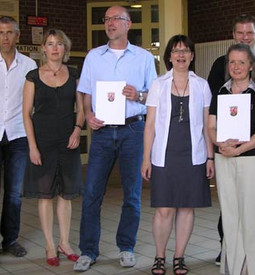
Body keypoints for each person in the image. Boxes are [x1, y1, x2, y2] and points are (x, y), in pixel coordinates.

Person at [73, 5, 157, 272]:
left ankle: (126, 247)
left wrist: (139, 96)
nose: (110, 23)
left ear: (128, 24)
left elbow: (153, 98)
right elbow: (85, 93)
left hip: (133, 130)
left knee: (132, 194)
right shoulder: (93, 57)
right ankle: (88, 251)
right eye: (107, 19)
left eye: (116, 19)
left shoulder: (143, 58)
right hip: (102, 131)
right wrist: (88, 114)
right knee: (91, 194)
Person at [207, 13, 255, 268]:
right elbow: (211, 123)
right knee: (229, 213)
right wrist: (220, 145)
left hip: (252, 156)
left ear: (251, 64)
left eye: (241, 62)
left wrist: (240, 149)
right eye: (232, 62)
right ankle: (231, 262)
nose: (236, 66)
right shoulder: (221, 89)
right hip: (224, 156)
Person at [141, 34, 214, 275]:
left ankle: (179, 256)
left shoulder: (202, 85)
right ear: (169, 57)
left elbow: (207, 125)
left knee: (186, 208)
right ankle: (160, 255)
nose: (181, 55)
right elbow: (149, 125)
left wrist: (210, 157)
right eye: (176, 51)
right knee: (164, 208)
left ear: (192, 56)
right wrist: (146, 158)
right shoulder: (158, 84)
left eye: (185, 51)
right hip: (164, 154)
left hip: (193, 154)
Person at [22, 29, 84, 266]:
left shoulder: (75, 74)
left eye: (59, 44)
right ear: (44, 49)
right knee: (46, 195)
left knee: (66, 195)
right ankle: (49, 245)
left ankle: (65, 242)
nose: (55, 48)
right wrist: (32, 146)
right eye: (50, 44)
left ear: (65, 49)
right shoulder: (33, 77)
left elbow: (81, 108)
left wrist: (78, 129)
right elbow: (27, 114)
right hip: (43, 142)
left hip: (68, 140)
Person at [0, 16, 37, 257]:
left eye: (9, 32)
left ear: (18, 36)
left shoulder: (29, 65)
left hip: (18, 135)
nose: (5, 37)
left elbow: (34, 103)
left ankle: (10, 240)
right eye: (1, 32)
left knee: (14, 192)